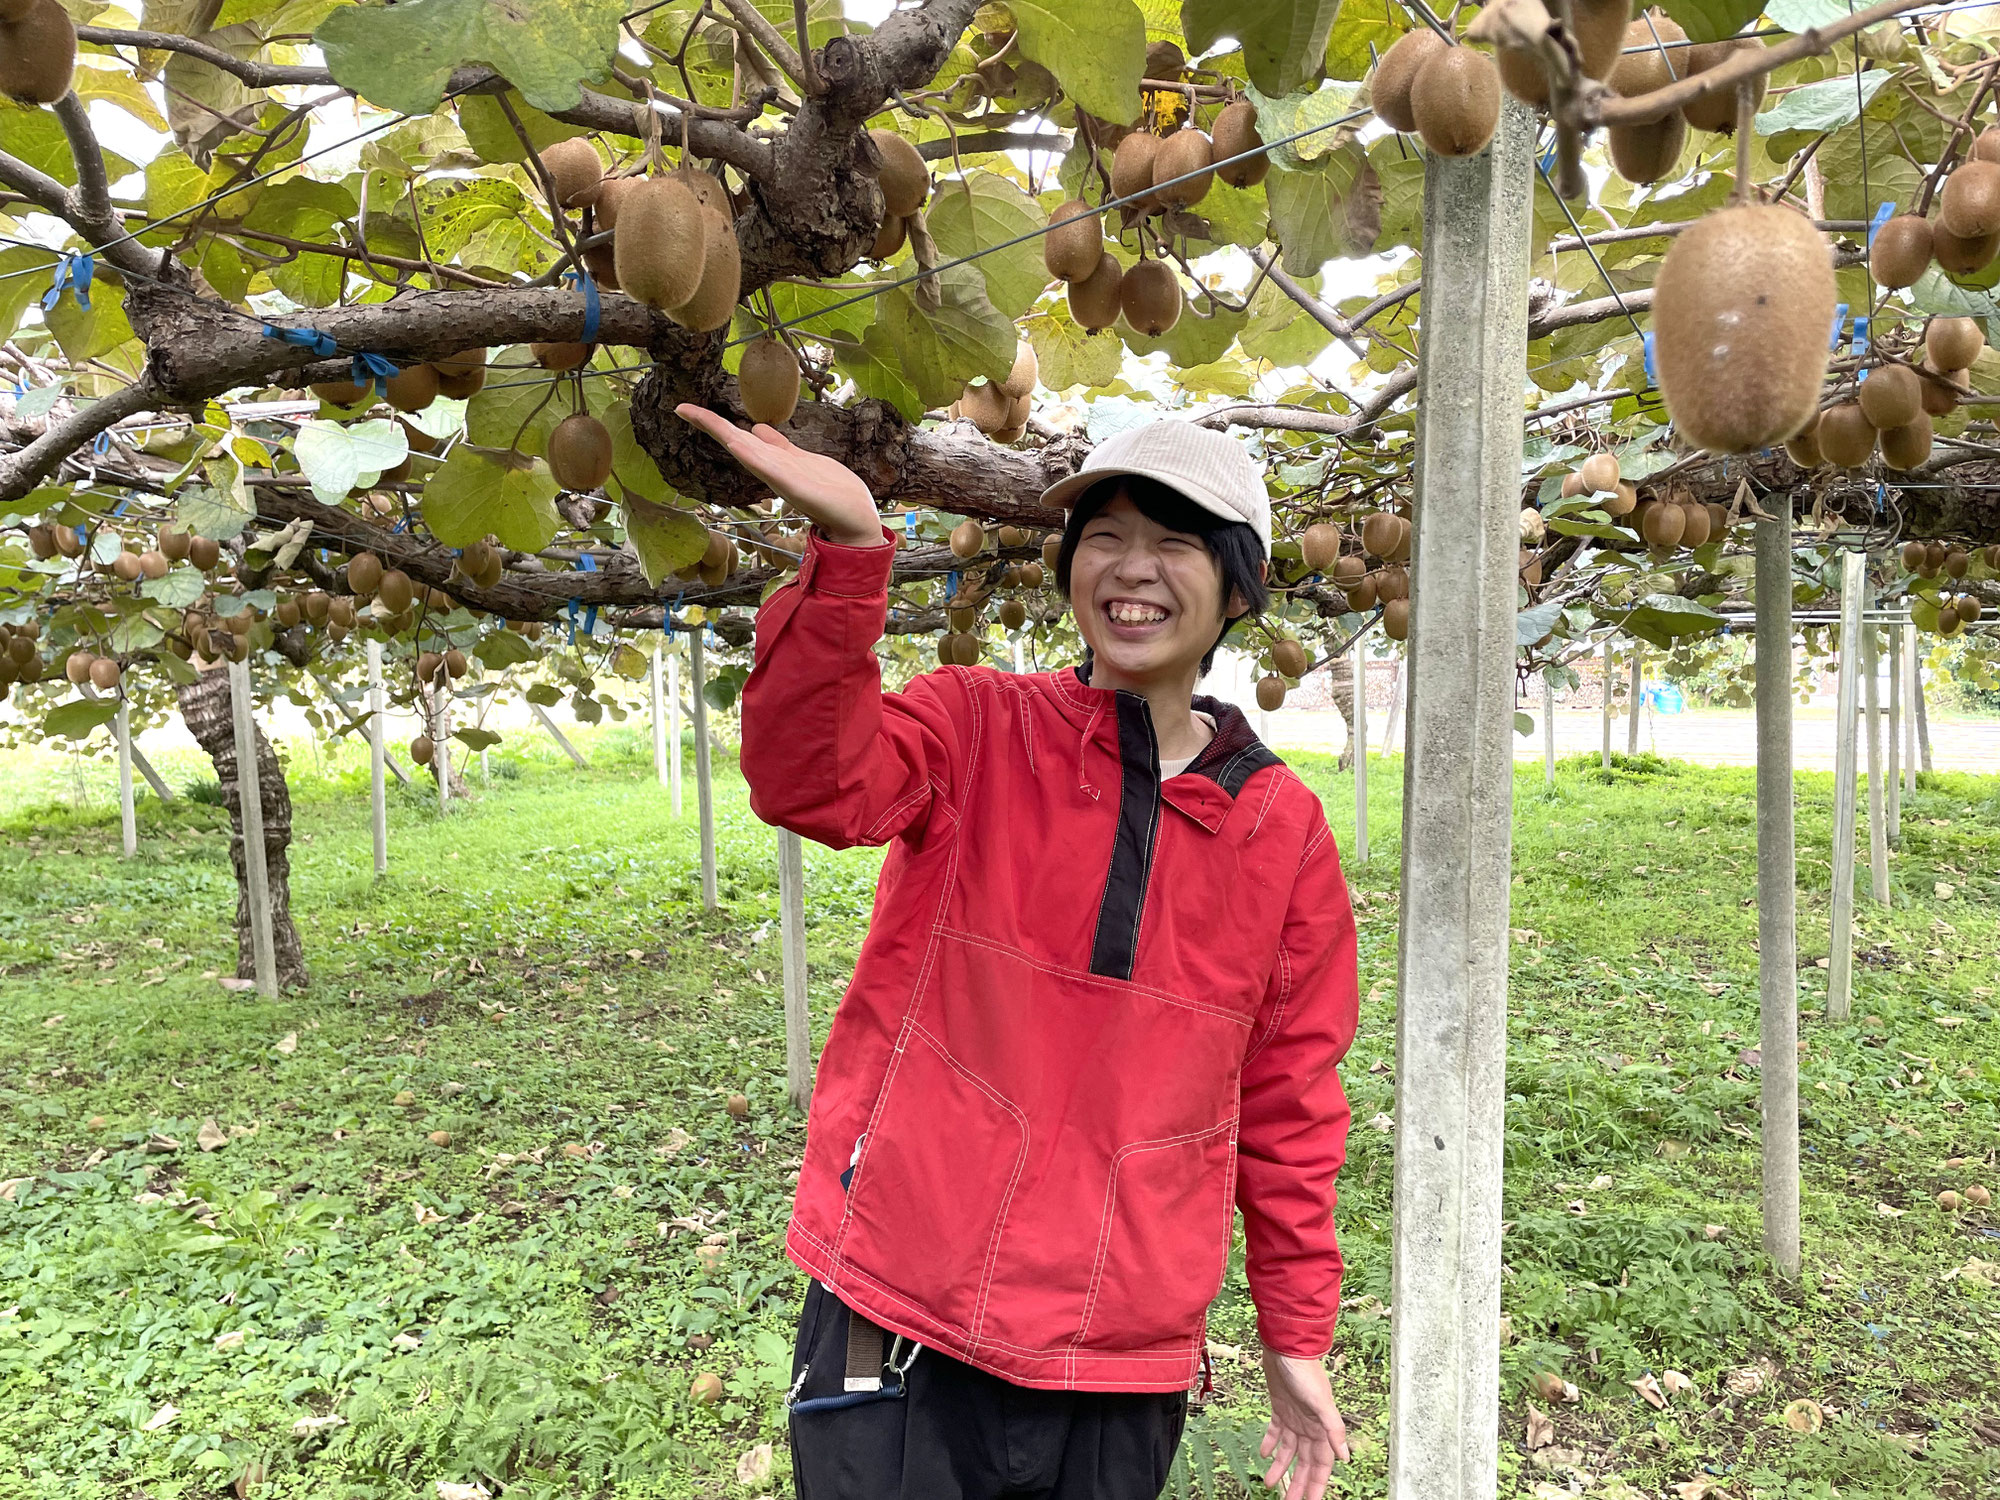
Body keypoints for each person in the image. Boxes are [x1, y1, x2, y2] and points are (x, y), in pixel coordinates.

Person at [678, 404, 1359, 1500]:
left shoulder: (1280, 832)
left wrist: (1294, 1336)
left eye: (1175, 542)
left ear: (1238, 587)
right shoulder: (974, 724)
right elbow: (813, 781)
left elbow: (1289, 1103)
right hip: (889, 1311)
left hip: (1118, 1349)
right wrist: (850, 556)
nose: (1132, 569)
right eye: (1104, 535)